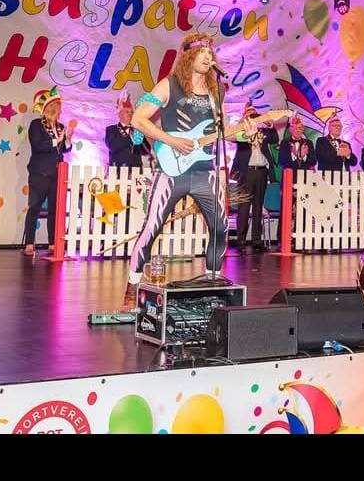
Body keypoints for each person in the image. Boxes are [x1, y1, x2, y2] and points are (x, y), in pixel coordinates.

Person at [120, 32, 256, 311]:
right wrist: (170, 140)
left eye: (210, 53)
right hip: (172, 171)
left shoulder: (216, 92)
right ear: (188, 56)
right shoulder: (169, 85)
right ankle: (132, 287)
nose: (208, 57)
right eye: (202, 52)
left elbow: (224, 132)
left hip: (205, 171)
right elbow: (138, 119)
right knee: (151, 227)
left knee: (220, 227)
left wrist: (246, 132)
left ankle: (211, 284)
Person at [22, 86, 75, 256]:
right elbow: (37, 146)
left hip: (56, 174)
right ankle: (29, 243)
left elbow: (64, 149)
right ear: (52, 109)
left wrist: (67, 140)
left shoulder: (60, 126)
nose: (60, 112)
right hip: (39, 174)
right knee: (34, 208)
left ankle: (52, 242)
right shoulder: (36, 125)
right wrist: (56, 141)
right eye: (58, 109)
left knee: (54, 209)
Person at [231, 100, 279, 252]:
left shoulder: (263, 131)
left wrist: (269, 124)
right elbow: (233, 134)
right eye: (250, 115)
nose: (253, 118)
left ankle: (257, 240)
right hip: (246, 171)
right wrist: (244, 120)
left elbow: (275, 139)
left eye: (255, 115)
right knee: (244, 207)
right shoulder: (242, 131)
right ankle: (241, 241)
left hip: (261, 171)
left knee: (258, 206)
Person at [105, 92, 152, 168]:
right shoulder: (111, 129)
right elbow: (113, 146)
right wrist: (131, 138)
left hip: (136, 170)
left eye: (131, 112)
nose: (130, 114)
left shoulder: (137, 130)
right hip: (117, 170)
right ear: (119, 114)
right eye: (127, 112)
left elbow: (146, 151)